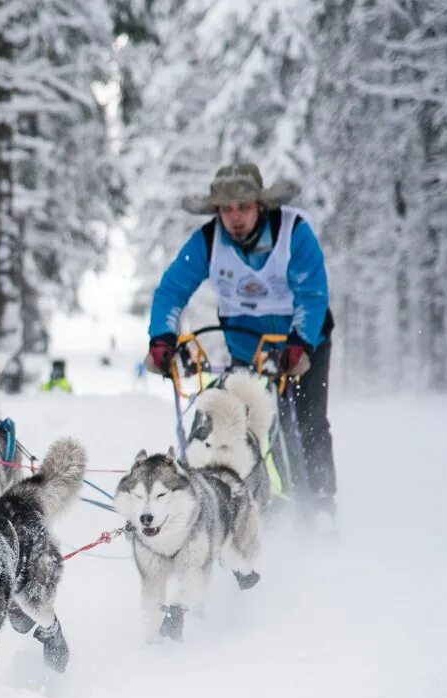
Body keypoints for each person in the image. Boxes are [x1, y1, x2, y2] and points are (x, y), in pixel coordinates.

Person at [144, 162, 337, 515]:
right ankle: (248, 499)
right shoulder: (207, 241)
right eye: (226, 209)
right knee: (235, 421)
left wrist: (300, 342)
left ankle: (320, 503)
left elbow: (312, 294)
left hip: (302, 345)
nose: (234, 217)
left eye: (243, 207)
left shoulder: (294, 233)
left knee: (306, 420)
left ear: (261, 206)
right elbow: (171, 292)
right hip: (247, 351)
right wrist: (162, 339)